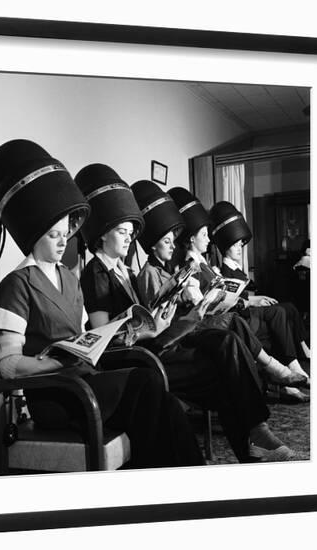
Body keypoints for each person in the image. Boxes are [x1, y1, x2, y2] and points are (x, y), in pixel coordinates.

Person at [0, 139, 204, 469]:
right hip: (57, 394)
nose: (63, 242)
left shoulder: (71, 280)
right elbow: (8, 366)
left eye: (65, 234)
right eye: (52, 235)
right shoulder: (17, 284)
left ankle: (185, 488)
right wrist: (58, 365)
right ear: (33, 233)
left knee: (168, 405)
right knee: (146, 386)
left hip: (87, 379)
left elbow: (87, 335)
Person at [76, 168, 296, 463]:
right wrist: (146, 328)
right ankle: (254, 443)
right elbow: (103, 335)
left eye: (131, 233)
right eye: (122, 232)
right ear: (102, 234)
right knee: (224, 367)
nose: (129, 239)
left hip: (156, 343)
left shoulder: (125, 272)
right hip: (140, 356)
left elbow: (145, 315)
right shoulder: (95, 273)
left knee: (226, 345)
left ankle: (256, 439)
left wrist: (164, 311)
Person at [168, 188, 308, 393]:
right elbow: (200, 304)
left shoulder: (203, 264)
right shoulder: (190, 266)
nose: (209, 239)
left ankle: (284, 373)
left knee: (277, 311)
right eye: (205, 235)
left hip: (225, 313)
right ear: (191, 239)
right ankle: (278, 373)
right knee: (254, 318)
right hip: (210, 320)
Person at [209, 201, 311, 400]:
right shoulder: (223, 271)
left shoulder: (237, 269)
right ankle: (292, 367)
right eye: (236, 245)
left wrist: (257, 297)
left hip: (246, 308)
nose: (240, 248)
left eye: (241, 245)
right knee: (279, 312)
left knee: (287, 307)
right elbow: (234, 296)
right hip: (240, 314)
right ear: (226, 246)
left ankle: (300, 355)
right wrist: (254, 299)